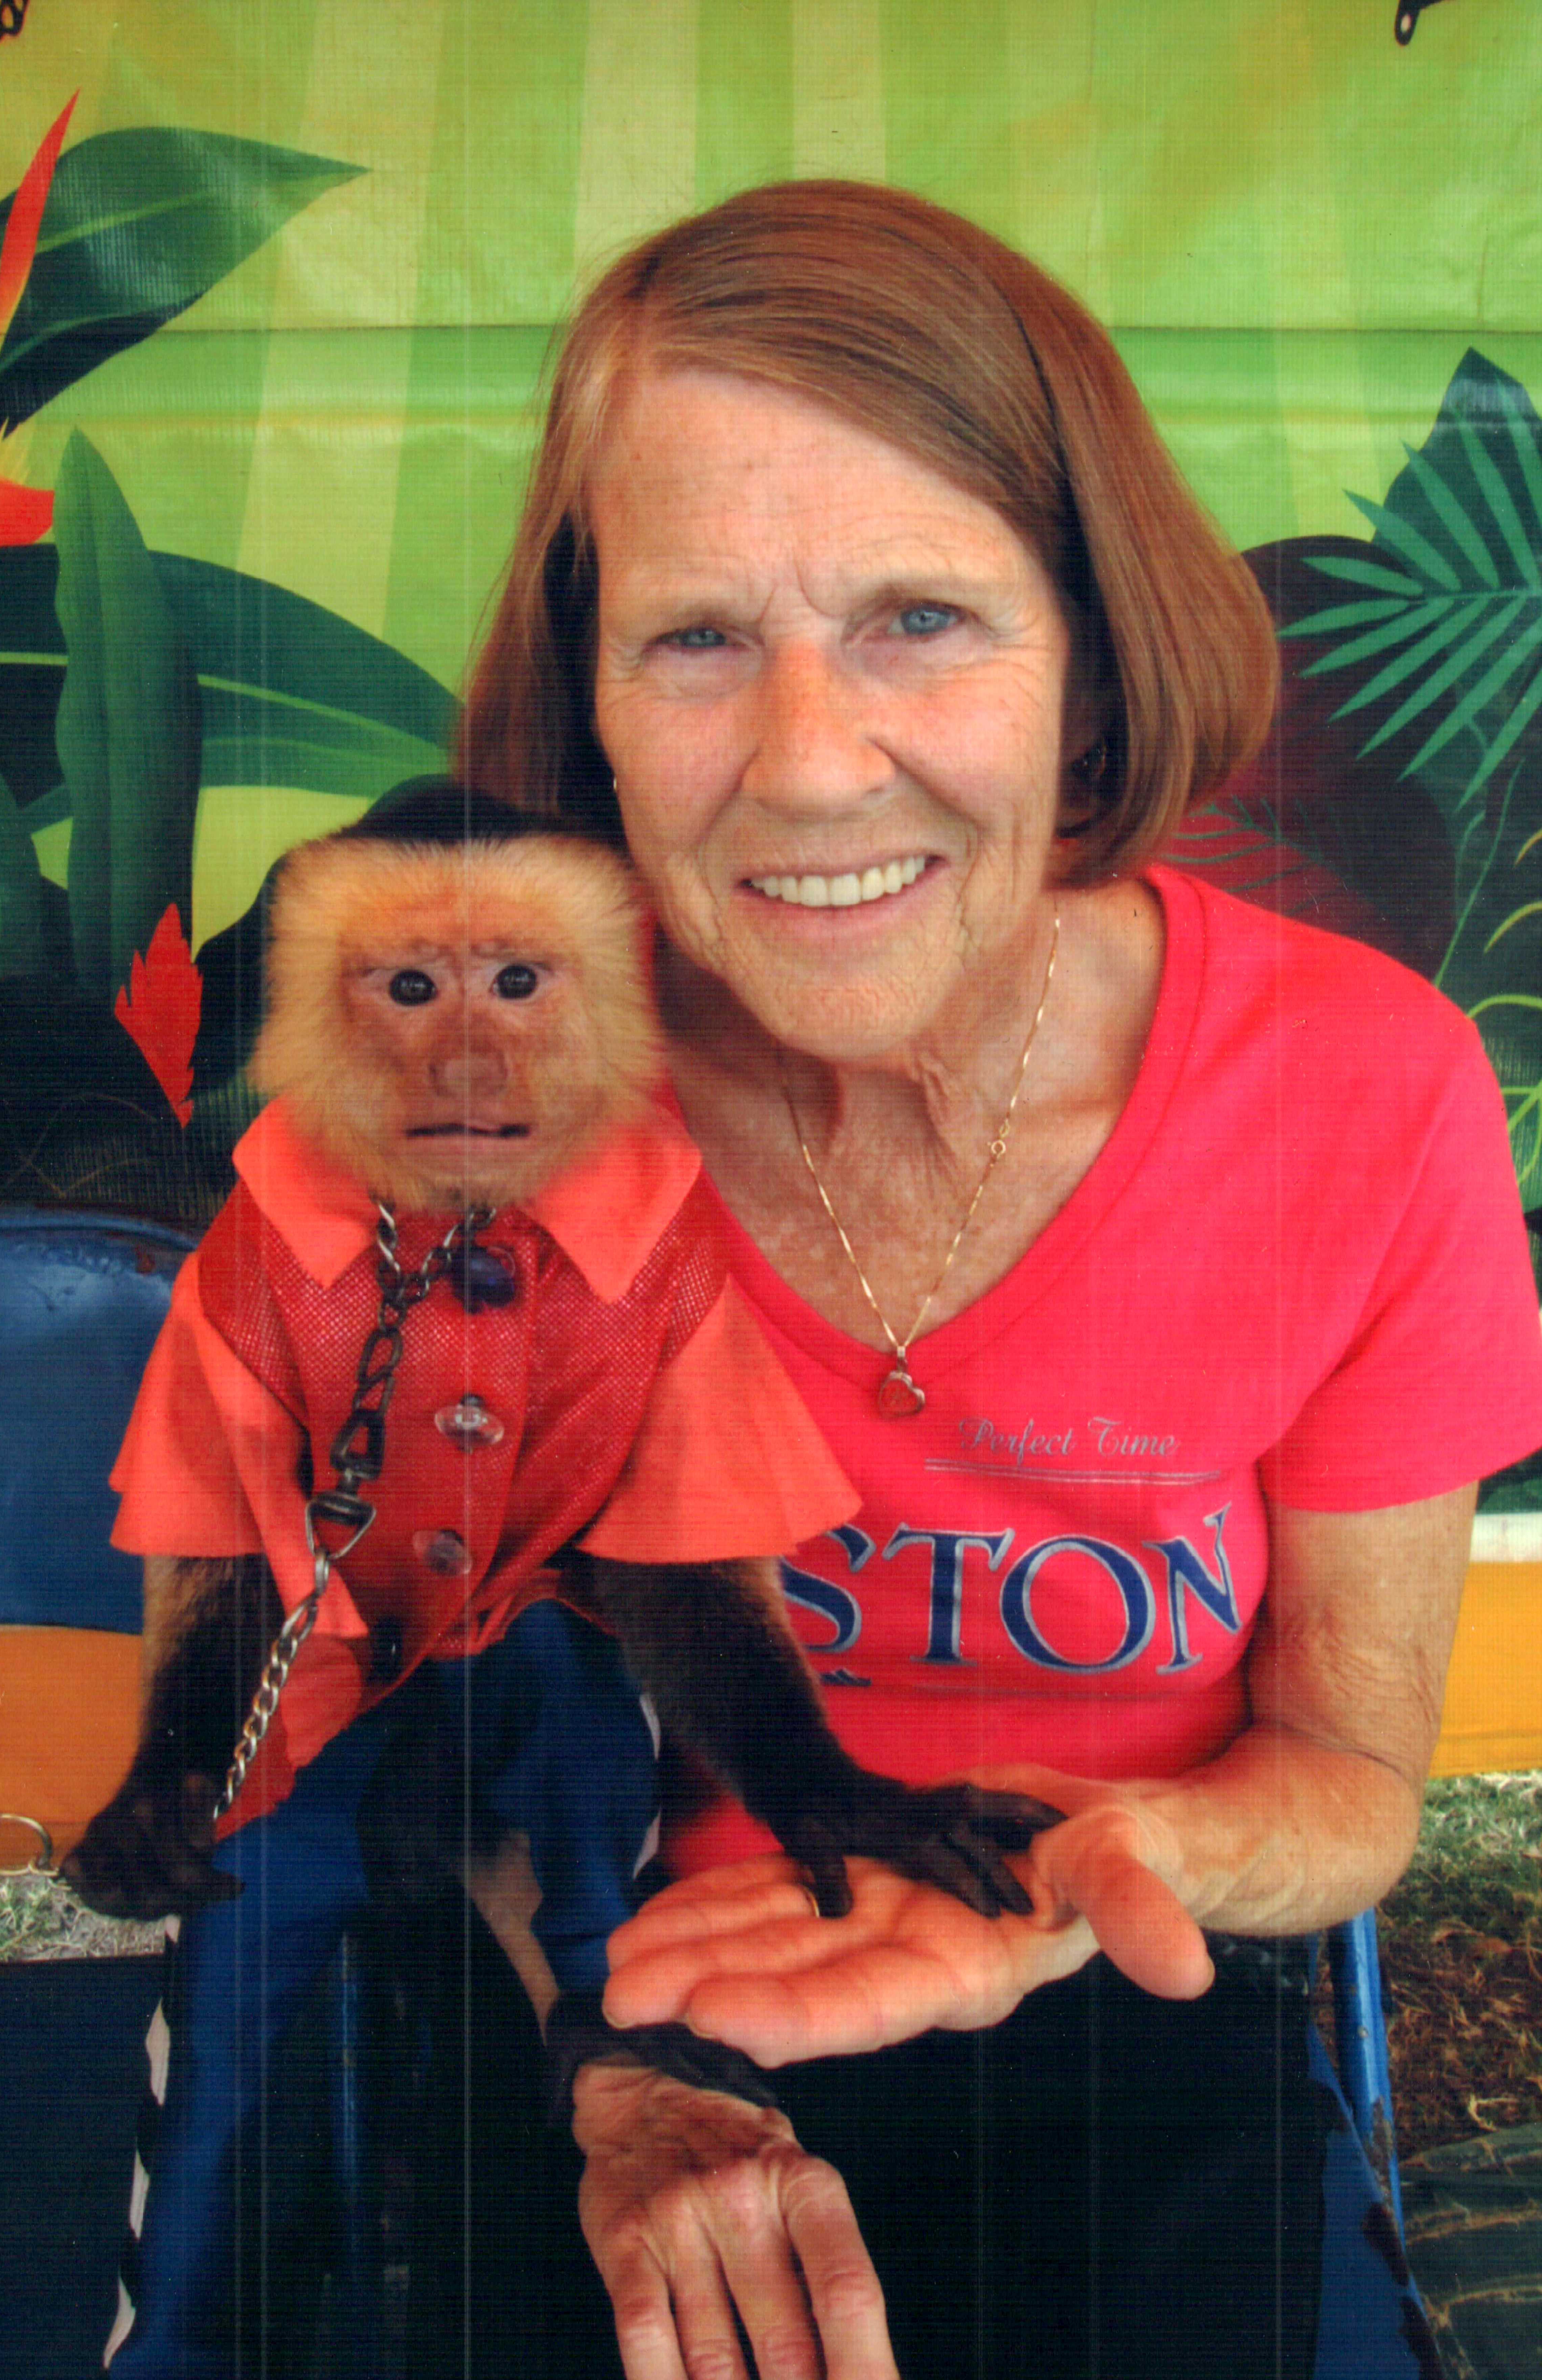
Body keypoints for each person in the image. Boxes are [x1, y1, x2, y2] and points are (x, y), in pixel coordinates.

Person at [454, 179, 1542, 2380]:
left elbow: (1347, 1776)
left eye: (923, 619)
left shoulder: (1363, 1098)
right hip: (593, 1987)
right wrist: (612, 2067)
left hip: (1123, 1970)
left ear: (1093, 658)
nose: (808, 762)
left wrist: (1108, 1858)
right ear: (588, 692)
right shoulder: (475, 1101)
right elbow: (405, 1741)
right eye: (695, 640)